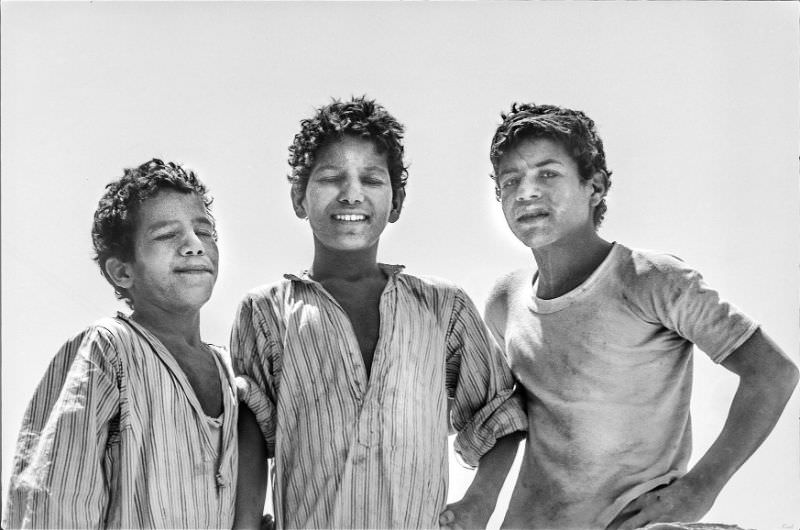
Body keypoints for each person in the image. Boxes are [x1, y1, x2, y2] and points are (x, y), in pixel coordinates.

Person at [481, 103, 799, 529]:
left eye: (548, 174)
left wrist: (700, 488)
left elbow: (772, 373)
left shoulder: (650, 278)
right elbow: (507, 419)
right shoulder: (506, 301)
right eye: (510, 181)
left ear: (594, 186)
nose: (527, 191)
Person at [231, 96, 527, 529]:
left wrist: (479, 503)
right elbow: (250, 435)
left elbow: (502, 413)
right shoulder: (266, 312)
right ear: (299, 197)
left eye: (371, 179)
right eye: (331, 178)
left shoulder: (442, 308)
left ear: (396, 201)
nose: (351, 193)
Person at [3, 159, 238, 529]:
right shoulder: (109, 350)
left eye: (204, 231)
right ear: (123, 271)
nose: (194, 245)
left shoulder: (231, 371)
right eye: (166, 235)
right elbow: (54, 505)